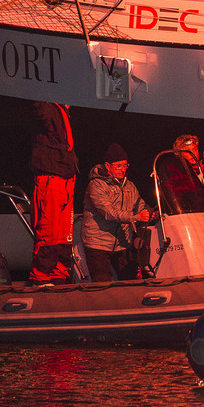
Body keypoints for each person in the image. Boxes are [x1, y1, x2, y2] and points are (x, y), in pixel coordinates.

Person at [82, 143, 152, 281]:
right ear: (108, 166)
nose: (123, 170)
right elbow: (109, 212)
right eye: (118, 166)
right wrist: (136, 217)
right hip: (98, 243)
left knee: (130, 282)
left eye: (125, 165)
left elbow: (139, 204)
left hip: (121, 244)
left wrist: (148, 212)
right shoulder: (96, 185)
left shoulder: (129, 186)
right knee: (102, 285)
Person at [28, 101, 77, 283]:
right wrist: (47, 90)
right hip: (51, 177)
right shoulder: (48, 108)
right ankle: (41, 276)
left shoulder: (62, 110)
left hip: (66, 179)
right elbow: (40, 112)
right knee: (48, 231)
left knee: (64, 234)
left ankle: (60, 274)